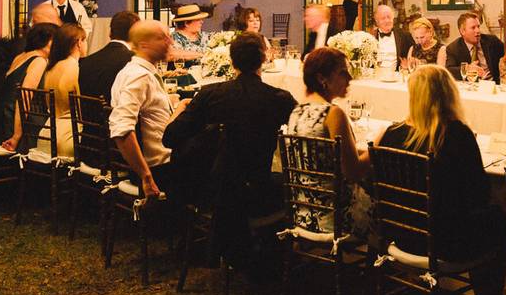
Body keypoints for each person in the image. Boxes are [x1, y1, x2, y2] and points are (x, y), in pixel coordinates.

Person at [376, 65, 506, 295]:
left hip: (401, 232)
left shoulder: (392, 134)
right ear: (449, 94)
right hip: (445, 242)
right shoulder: (456, 134)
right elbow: (479, 193)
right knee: (499, 219)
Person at [164, 32, 297, 260]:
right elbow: (299, 139)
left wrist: (180, 111)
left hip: (209, 189)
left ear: (232, 61)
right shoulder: (279, 99)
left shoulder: (210, 95)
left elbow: (170, 138)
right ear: (264, 59)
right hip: (257, 189)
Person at [286, 47, 371, 238]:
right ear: (322, 78)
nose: (350, 78)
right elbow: (354, 172)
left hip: (303, 214)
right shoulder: (333, 114)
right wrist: (377, 146)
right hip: (336, 219)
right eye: (342, 72)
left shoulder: (296, 111)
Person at [110, 20, 190, 198]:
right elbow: (121, 129)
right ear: (143, 44)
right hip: (161, 168)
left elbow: (152, 120)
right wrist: (146, 177)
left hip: (161, 159)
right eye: (163, 38)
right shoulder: (139, 77)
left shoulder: (132, 71)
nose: (171, 42)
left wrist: (177, 107)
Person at [0, 22, 58, 150]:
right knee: (56, 129)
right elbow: (24, 97)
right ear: (46, 41)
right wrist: (17, 135)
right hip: (11, 121)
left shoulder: (20, 56)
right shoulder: (39, 61)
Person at [39, 23, 88, 158]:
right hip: (68, 138)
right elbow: (80, 109)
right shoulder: (74, 69)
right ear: (78, 43)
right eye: (85, 40)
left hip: (46, 134)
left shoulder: (51, 68)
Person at [79, 11, 139, 104]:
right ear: (134, 35)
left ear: (110, 32)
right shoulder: (134, 62)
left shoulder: (86, 62)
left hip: (85, 118)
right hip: (115, 116)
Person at [445, 12, 505, 84]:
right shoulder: (453, 48)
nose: (478, 31)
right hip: (469, 88)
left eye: (478, 27)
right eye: (473, 28)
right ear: (462, 31)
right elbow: (449, 70)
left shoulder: (492, 42)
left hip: (492, 86)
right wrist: (467, 69)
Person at [370, 3, 414, 70]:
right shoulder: (370, 37)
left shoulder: (404, 35)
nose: (387, 21)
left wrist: (408, 64)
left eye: (389, 17)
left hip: (397, 75)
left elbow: (415, 52)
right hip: (375, 75)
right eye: (383, 18)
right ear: (377, 21)